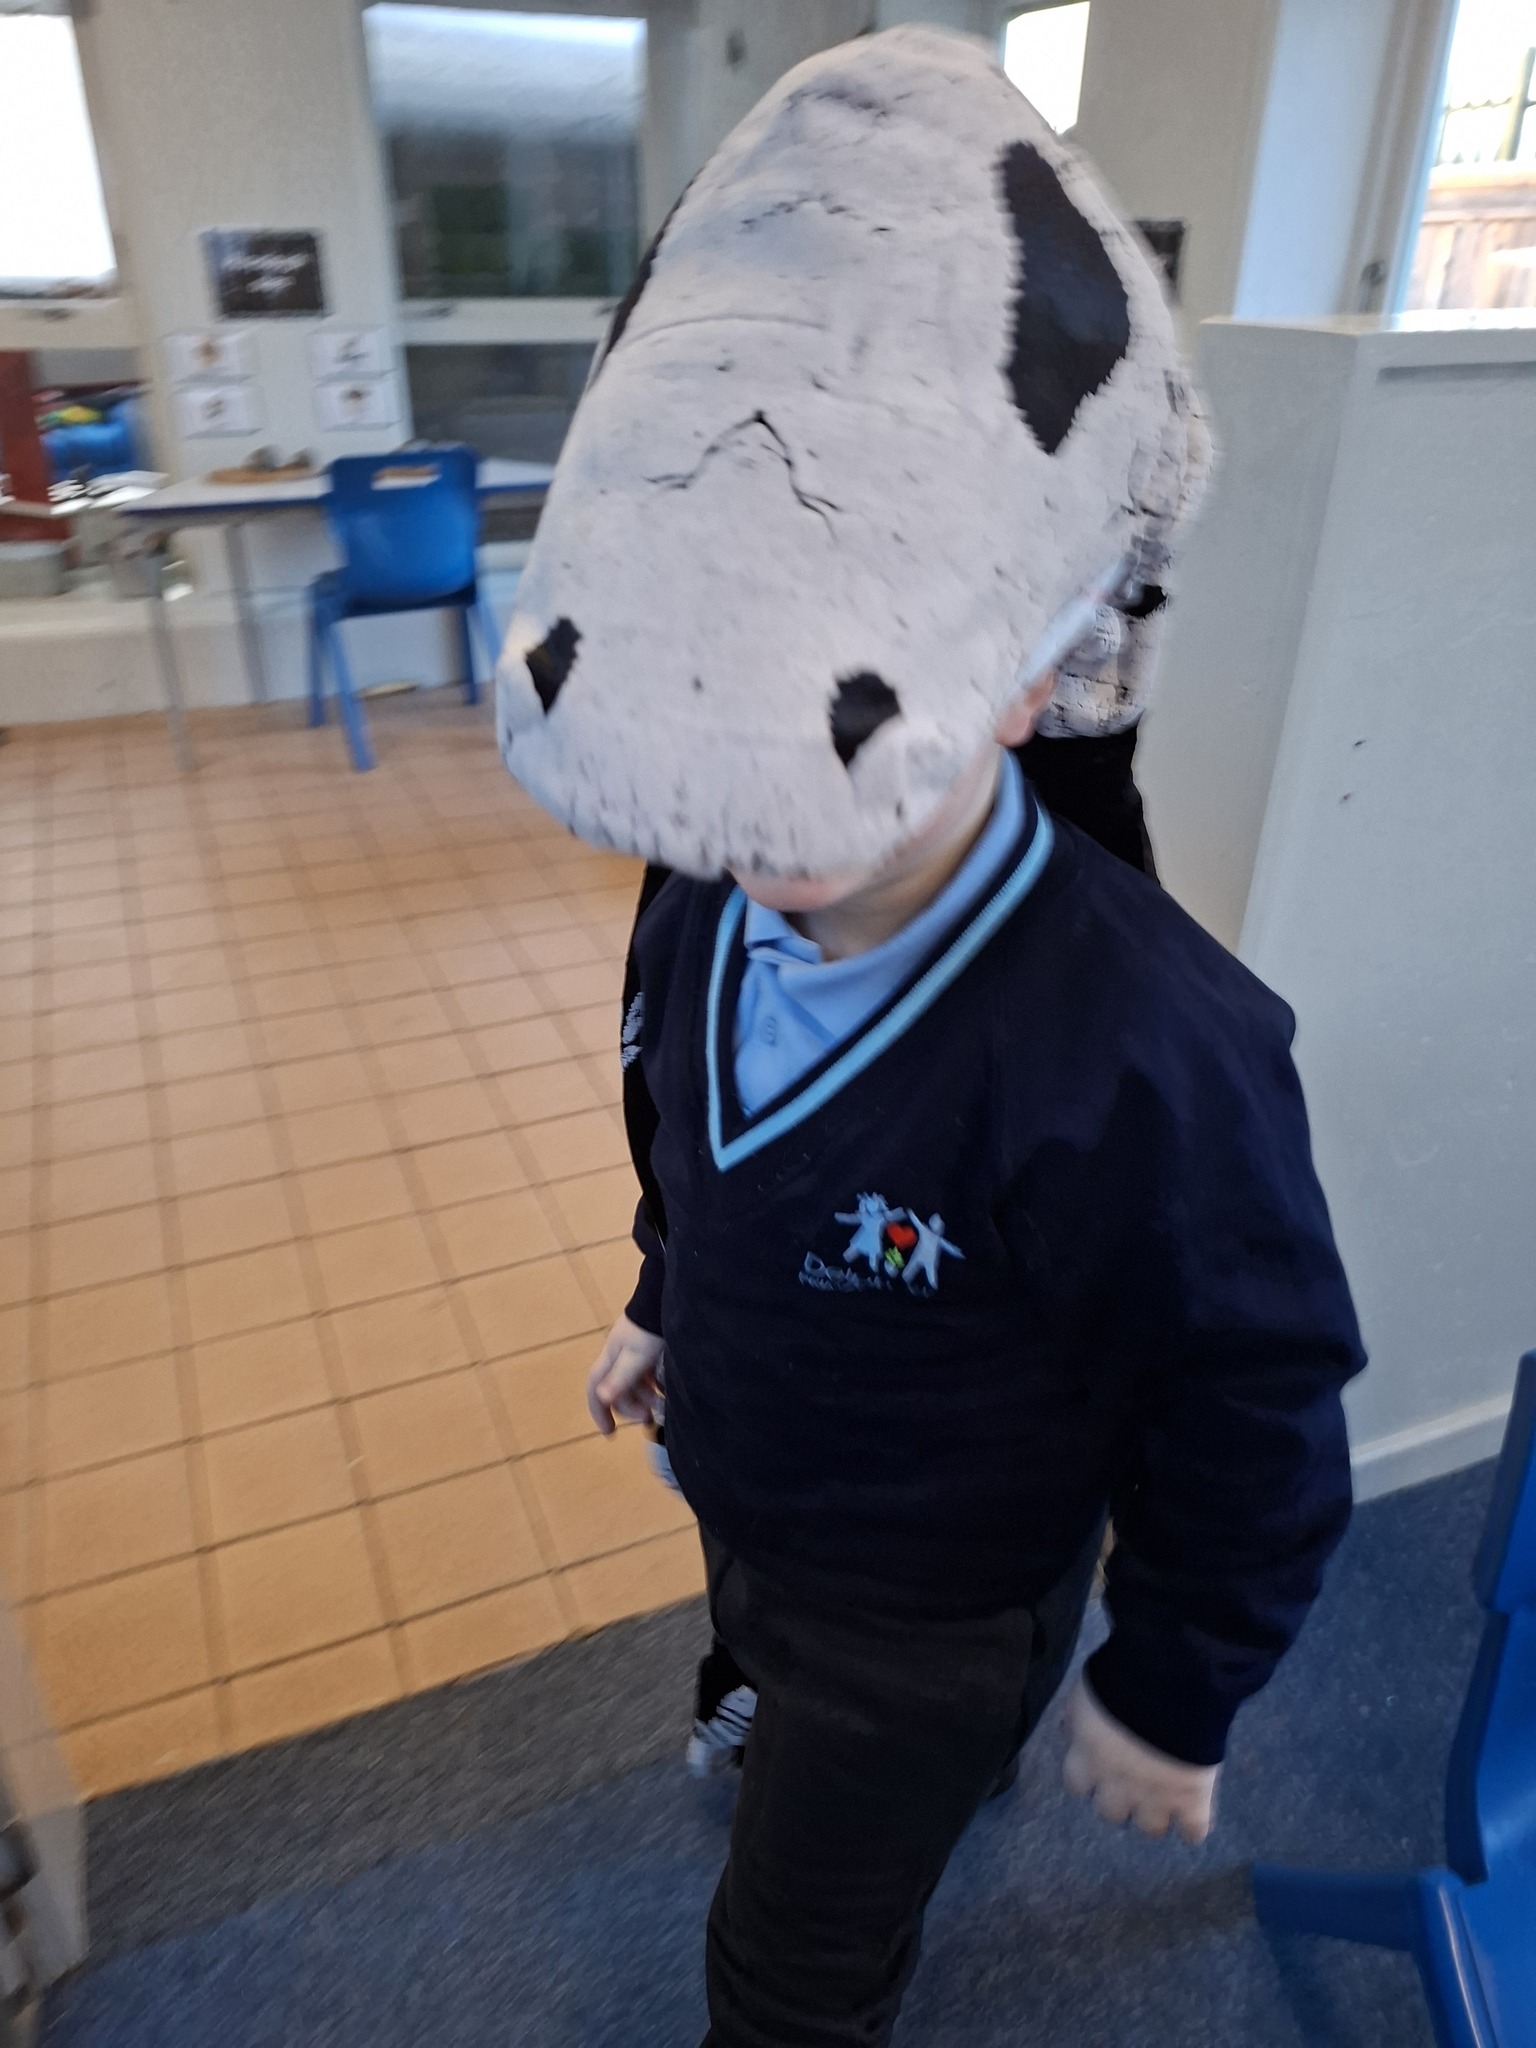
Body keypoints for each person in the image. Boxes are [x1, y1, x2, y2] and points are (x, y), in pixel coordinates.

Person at [497, 29, 1365, 2045]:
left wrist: (1173, 1686)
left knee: (787, 1964)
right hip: (758, 1497)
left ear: (1028, 675)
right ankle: (836, 1723)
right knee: (787, 1683)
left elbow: (1252, 1400)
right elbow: (692, 1132)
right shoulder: (713, 883)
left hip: (941, 1603)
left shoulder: (1148, 1048)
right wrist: (666, 1295)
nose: (749, 842)